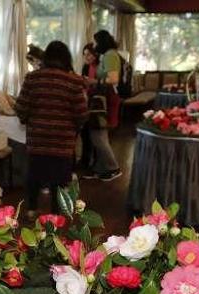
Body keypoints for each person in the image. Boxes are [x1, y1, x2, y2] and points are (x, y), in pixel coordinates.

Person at [15, 41, 87, 217]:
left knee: (34, 176)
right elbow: (82, 113)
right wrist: (74, 129)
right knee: (60, 180)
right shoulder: (75, 81)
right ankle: (56, 215)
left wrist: (28, 120)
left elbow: (21, 107)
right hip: (62, 143)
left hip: (37, 141)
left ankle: (32, 209)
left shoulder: (32, 78)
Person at [84, 29, 122, 181]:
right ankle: (101, 168)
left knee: (99, 135)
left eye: (96, 41)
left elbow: (113, 79)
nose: (95, 45)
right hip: (103, 98)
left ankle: (113, 167)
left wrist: (94, 81)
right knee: (98, 134)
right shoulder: (108, 55)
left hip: (107, 98)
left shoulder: (110, 55)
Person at [79, 43, 99, 172]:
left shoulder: (100, 67)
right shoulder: (86, 67)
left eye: (89, 54)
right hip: (86, 101)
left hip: (97, 102)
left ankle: (95, 162)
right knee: (84, 132)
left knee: (95, 134)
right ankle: (85, 160)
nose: (87, 57)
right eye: (85, 54)